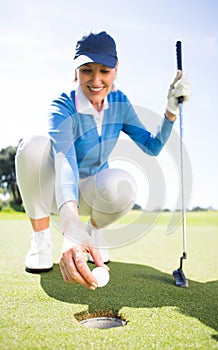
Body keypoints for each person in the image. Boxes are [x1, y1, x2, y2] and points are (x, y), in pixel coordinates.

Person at [15, 31, 190, 291]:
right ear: (76, 70)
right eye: (87, 70)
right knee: (32, 145)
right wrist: (71, 227)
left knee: (123, 183)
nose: (96, 80)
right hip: (55, 192)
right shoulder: (62, 105)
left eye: (105, 70)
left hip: (93, 194)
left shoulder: (120, 103)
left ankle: (94, 233)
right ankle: (41, 238)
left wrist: (170, 112)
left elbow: (151, 147)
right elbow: (66, 162)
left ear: (116, 69)